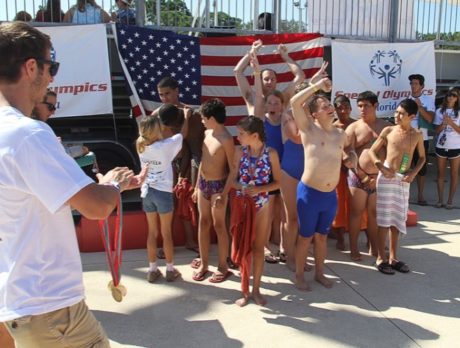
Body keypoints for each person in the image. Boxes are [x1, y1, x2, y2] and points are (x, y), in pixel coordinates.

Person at [0, 21, 137, 346]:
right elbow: (97, 207)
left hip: (17, 300)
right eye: (52, 66)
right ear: (31, 67)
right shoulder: (28, 134)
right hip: (51, 309)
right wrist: (114, 184)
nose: (52, 77)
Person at [290, 77, 354, 291]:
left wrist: (351, 156)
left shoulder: (340, 133)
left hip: (329, 196)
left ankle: (319, 273)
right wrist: (316, 87)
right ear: (314, 113)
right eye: (324, 106)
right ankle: (299, 275)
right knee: (305, 238)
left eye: (330, 105)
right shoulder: (308, 129)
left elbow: (349, 150)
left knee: (322, 238)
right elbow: (294, 103)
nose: (330, 108)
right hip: (309, 194)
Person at [228, 116, 281, 306]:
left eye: (241, 134)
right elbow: (232, 179)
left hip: (262, 205)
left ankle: (256, 289)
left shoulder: (271, 153)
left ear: (255, 135)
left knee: (258, 248)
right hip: (242, 204)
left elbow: (279, 182)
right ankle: (244, 290)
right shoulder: (239, 152)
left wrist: (259, 189)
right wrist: (241, 187)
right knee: (244, 248)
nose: (238, 137)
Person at [368, 99, 425, 275]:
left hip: (403, 180)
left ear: (412, 116)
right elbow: (372, 151)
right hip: (386, 178)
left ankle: (393, 257)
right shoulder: (388, 130)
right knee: (384, 220)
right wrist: (380, 165)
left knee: (397, 220)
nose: (396, 115)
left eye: (401, 113)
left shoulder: (416, 135)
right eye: (396, 111)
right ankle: (380, 258)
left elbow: (422, 158)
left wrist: (413, 173)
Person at [151, 76, 204, 256]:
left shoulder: (192, 114)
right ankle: (167, 245)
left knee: (186, 203)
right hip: (165, 167)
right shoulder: (156, 115)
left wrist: (196, 169)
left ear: (176, 91)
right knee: (168, 206)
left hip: (187, 165)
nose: (164, 98)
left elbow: (196, 145)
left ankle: (191, 241)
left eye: (167, 94)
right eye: (161, 95)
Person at [137, 104, 190, 283]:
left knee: (152, 233)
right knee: (166, 233)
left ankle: (152, 270)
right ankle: (169, 269)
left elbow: (150, 123)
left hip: (147, 192)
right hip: (163, 192)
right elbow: (183, 134)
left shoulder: (140, 145)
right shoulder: (167, 145)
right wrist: (186, 116)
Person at [191, 98, 235, 283]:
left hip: (219, 186)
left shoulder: (227, 139)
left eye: (203, 117)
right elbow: (202, 161)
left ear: (211, 118)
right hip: (203, 185)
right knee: (203, 222)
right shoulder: (207, 133)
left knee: (219, 226)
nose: (201, 120)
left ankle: (223, 266)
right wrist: (195, 187)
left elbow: (233, 169)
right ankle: (204, 263)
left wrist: (224, 194)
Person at [344, 91, 391, 261]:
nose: (363, 109)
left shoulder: (386, 127)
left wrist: (381, 174)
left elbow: (393, 153)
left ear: (376, 105)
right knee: (356, 212)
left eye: (367, 105)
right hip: (357, 176)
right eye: (360, 106)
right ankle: (354, 248)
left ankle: (375, 245)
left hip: (379, 177)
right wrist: (363, 176)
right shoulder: (353, 128)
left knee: (374, 213)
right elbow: (346, 155)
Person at [234, 39, 305, 115]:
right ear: (260, 81)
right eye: (266, 79)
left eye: (272, 79)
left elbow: (300, 76)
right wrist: (252, 52)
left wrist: (285, 56)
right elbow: (237, 71)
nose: (270, 82)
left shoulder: (282, 98)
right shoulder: (252, 98)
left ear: (276, 82)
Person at [331, 94, 356, 251]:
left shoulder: (356, 125)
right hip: (337, 170)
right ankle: (340, 237)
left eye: (346, 107)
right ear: (335, 110)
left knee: (358, 204)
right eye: (339, 108)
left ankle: (367, 236)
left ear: (350, 108)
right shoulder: (332, 127)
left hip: (356, 169)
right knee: (339, 203)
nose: (343, 111)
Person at [408, 74, 435, 205]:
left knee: (421, 168)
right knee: (405, 166)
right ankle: (405, 194)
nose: (413, 86)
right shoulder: (406, 100)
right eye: (412, 83)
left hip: (422, 139)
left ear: (422, 86)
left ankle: (420, 195)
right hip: (407, 140)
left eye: (416, 83)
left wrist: (419, 107)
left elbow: (430, 119)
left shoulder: (428, 100)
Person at [433, 89, 460, 209]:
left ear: (457, 98)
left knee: (454, 174)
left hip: (455, 146)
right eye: (448, 95)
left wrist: (451, 123)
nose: (450, 97)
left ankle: (450, 201)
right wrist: (443, 124)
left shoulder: (459, 112)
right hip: (441, 146)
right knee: (440, 174)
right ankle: (440, 200)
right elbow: (436, 131)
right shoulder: (439, 111)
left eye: (453, 95)